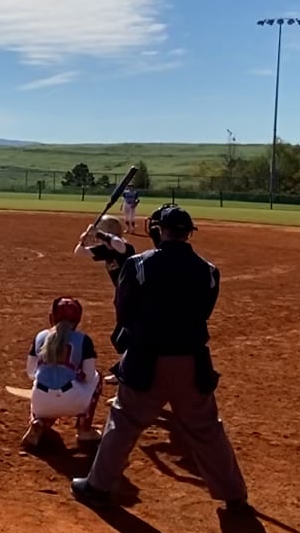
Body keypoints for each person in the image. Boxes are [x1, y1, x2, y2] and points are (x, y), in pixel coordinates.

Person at [73, 208, 251, 515]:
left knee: (124, 422)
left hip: (147, 358)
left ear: (158, 230)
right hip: (192, 361)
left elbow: (124, 310)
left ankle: (97, 487)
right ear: (188, 233)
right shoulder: (209, 270)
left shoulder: (139, 264)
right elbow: (204, 312)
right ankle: (234, 496)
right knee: (207, 428)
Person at [22, 297, 102, 449]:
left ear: (51, 317)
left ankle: (38, 421)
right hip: (73, 401)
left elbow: (31, 372)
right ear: (78, 319)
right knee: (98, 378)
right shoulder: (84, 340)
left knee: (39, 382)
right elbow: (89, 375)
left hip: (42, 402)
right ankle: (84, 430)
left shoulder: (40, 336)